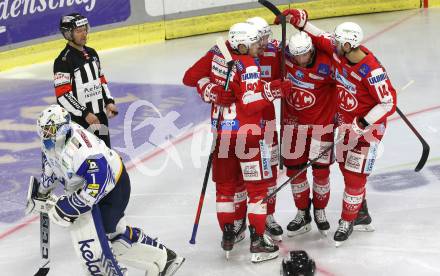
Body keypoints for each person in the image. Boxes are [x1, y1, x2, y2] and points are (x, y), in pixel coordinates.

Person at [278, 9, 397, 246]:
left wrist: (361, 124)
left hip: (367, 130)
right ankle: (361, 213)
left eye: (338, 41)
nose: (334, 43)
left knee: (355, 177)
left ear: (347, 44)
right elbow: (321, 36)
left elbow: (388, 102)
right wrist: (301, 22)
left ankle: (348, 220)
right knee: (345, 170)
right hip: (345, 126)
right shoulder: (340, 51)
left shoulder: (372, 71)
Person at [26, 104, 184, 275]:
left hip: (113, 186)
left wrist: (71, 205)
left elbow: (99, 183)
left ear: (62, 128)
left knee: (112, 237)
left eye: (49, 130)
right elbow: (51, 165)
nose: (45, 135)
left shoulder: (83, 151)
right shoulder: (52, 143)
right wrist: (42, 192)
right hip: (90, 185)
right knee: (114, 235)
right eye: (43, 130)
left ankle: (161, 258)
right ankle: (164, 258)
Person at [184, 22, 290, 262]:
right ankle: (258, 242)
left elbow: (190, 78)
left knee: (225, 190)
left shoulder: (216, 53)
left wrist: (211, 90)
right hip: (249, 136)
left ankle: (228, 237)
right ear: (242, 44)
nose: (258, 47)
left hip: (222, 138)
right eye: (254, 43)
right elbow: (250, 103)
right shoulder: (250, 65)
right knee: (257, 191)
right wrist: (273, 91)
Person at [281, 32, 337, 237]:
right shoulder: (285, 57)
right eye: (297, 56)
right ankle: (302, 213)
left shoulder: (327, 64)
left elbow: (347, 81)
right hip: (292, 126)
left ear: (312, 50)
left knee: (321, 172)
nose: (301, 60)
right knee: (295, 172)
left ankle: (320, 211)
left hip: (321, 127)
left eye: (304, 55)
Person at [54, 13, 118, 148]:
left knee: (106, 151)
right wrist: (85, 113)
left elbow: (101, 79)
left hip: (99, 118)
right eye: (78, 31)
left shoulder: (93, 53)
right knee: (88, 158)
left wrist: (109, 101)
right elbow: (62, 95)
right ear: (68, 34)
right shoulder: (63, 61)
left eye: (85, 29)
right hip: (80, 122)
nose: (84, 34)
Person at [245, 16, 283, 241]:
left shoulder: (275, 50)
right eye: (264, 38)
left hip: (268, 124)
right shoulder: (239, 58)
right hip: (246, 126)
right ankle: (241, 220)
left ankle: (268, 216)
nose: (268, 41)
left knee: (270, 172)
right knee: (246, 176)